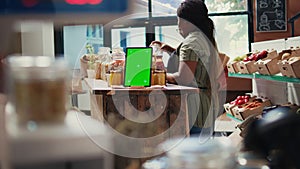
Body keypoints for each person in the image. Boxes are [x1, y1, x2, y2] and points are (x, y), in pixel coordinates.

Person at [151, 0, 225, 136]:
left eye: (178, 20)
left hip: (194, 112)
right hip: (207, 108)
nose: (178, 25)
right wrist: (170, 49)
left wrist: (158, 75)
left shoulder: (190, 43)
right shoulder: (203, 38)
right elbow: (195, 61)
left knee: (192, 154)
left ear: (184, 21)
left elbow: (184, 78)